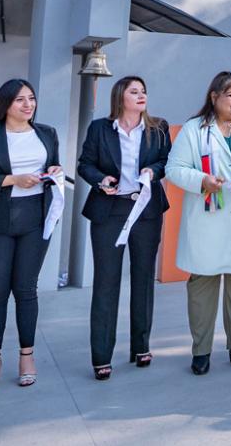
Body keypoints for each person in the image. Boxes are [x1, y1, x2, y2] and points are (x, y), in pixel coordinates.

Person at [165, 71, 231, 375]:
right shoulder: (194, 129)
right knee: (203, 286)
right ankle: (201, 350)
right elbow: (174, 168)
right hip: (208, 218)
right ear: (214, 97)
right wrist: (203, 180)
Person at [0, 78, 64, 392]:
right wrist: (12, 179)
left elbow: (53, 165)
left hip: (35, 219)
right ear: (5, 104)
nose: (28, 104)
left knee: (26, 290)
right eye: (20, 99)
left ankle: (26, 357)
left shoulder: (46, 133)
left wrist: (54, 172)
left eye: (31, 98)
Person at [77, 76, 171, 380]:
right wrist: (100, 180)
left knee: (143, 279)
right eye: (134, 91)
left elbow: (166, 161)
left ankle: (141, 346)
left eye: (144, 91)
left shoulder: (158, 127)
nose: (142, 95)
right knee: (106, 281)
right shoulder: (100, 129)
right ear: (120, 97)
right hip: (110, 211)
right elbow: (85, 164)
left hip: (146, 210)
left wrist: (152, 171)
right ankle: (101, 356)